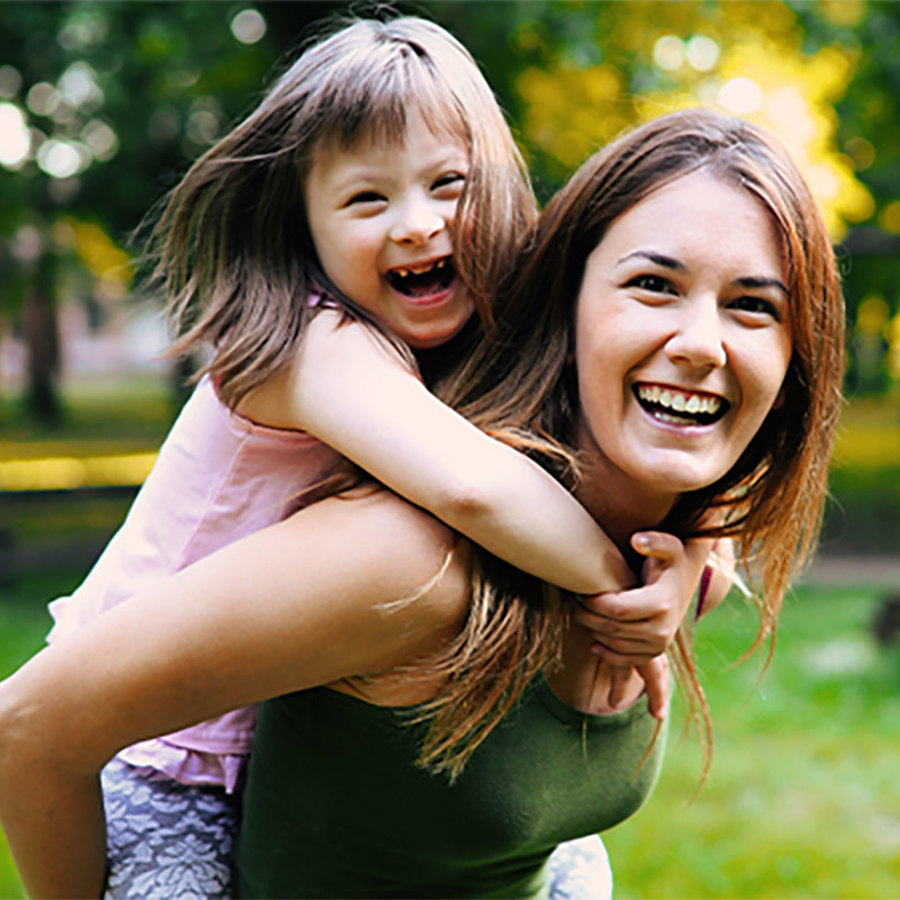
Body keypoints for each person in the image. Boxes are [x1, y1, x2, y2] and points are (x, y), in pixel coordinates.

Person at [0, 107, 842, 898]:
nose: (701, 344)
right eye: (654, 285)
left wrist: (687, 554)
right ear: (564, 299)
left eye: (753, 306)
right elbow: (28, 727)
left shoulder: (668, 559)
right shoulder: (409, 564)